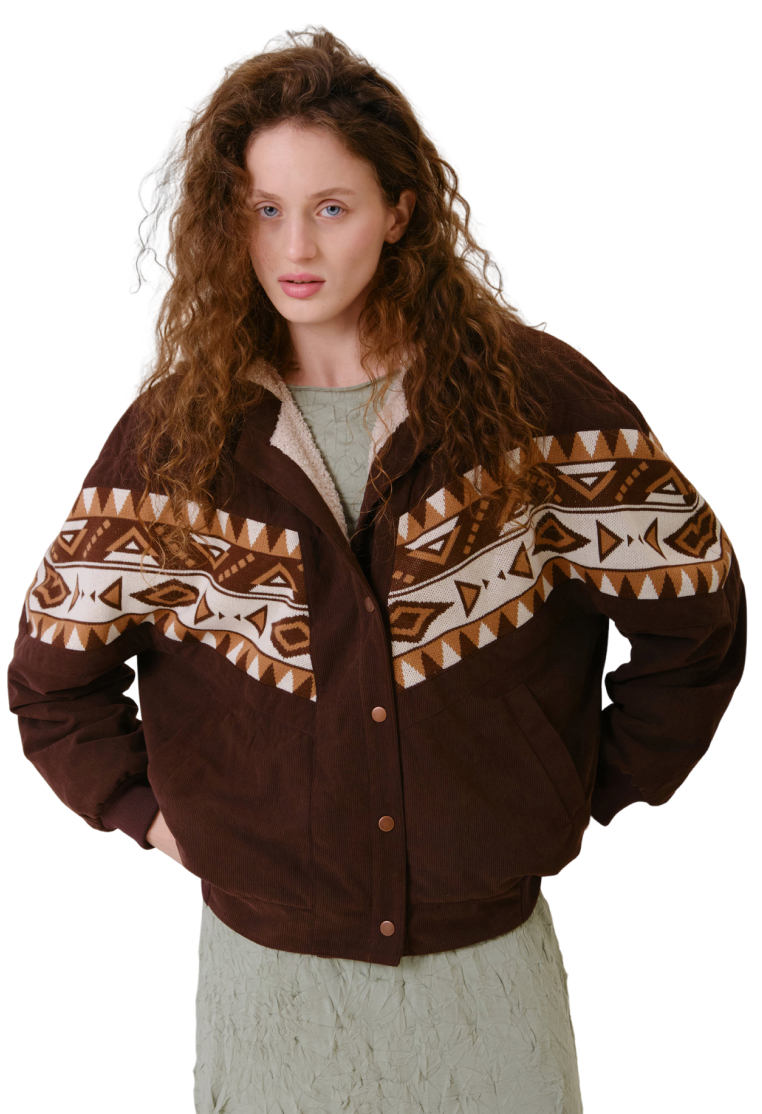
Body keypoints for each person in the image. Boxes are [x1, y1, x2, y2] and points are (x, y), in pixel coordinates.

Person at [6, 25, 747, 1114]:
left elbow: (695, 615)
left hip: (488, 979)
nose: (294, 245)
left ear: (400, 211)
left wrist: (578, 785)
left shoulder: (537, 408)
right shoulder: (175, 442)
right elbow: (51, 681)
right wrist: (156, 817)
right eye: (264, 209)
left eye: (331, 207)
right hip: (268, 986)